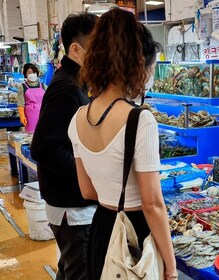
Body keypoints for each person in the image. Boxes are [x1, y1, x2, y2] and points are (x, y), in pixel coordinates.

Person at [68, 8, 177, 280]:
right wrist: (171, 268)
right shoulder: (140, 120)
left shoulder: (79, 117)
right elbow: (152, 205)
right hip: (135, 234)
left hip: (103, 230)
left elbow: (87, 190)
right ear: (138, 64)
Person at [30, 13, 98, 280]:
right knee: (79, 271)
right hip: (72, 209)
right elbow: (43, 148)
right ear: (76, 49)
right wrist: (88, 172)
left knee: (70, 269)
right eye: (97, 48)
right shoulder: (65, 89)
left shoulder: (77, 83)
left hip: (72, 205)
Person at [17, 63, 47, 132]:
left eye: (34, 72)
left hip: (43, 113)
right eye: (30, 72)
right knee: (31, 136)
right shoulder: (22, 87)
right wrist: (22, 116)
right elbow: (20, 103)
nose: (32, 74)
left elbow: (49, 99)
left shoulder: (43, 86)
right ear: (25, 74)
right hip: (30, 115)